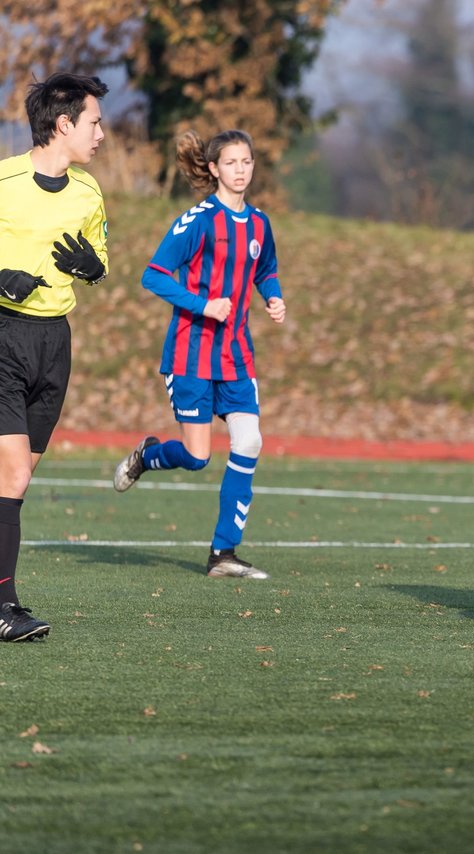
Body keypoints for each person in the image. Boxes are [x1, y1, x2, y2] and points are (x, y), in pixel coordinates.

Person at [112, 129, 285, 580]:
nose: (241, 170)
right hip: (191, 354)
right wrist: (203, 304)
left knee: (249, 441)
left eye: (246, 162)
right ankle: (148, 455)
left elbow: (265, 268)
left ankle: (223, 554)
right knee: (196, 456)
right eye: (231, 163)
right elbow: (154, 275)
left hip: (236, 357)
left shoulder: (260, 223)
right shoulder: (199, 220)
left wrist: (273, 297)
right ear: (213, 169)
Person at [0, 72, 110, 642]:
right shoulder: (3, 181)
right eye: (94, 121)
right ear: (63, 124)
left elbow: (103, 254)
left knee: (12, 486)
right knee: (11, 476)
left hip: (54, 344)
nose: (101, 133)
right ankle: (5, 608)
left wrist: (95, 269)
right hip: (3, 336)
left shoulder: (89, 193)